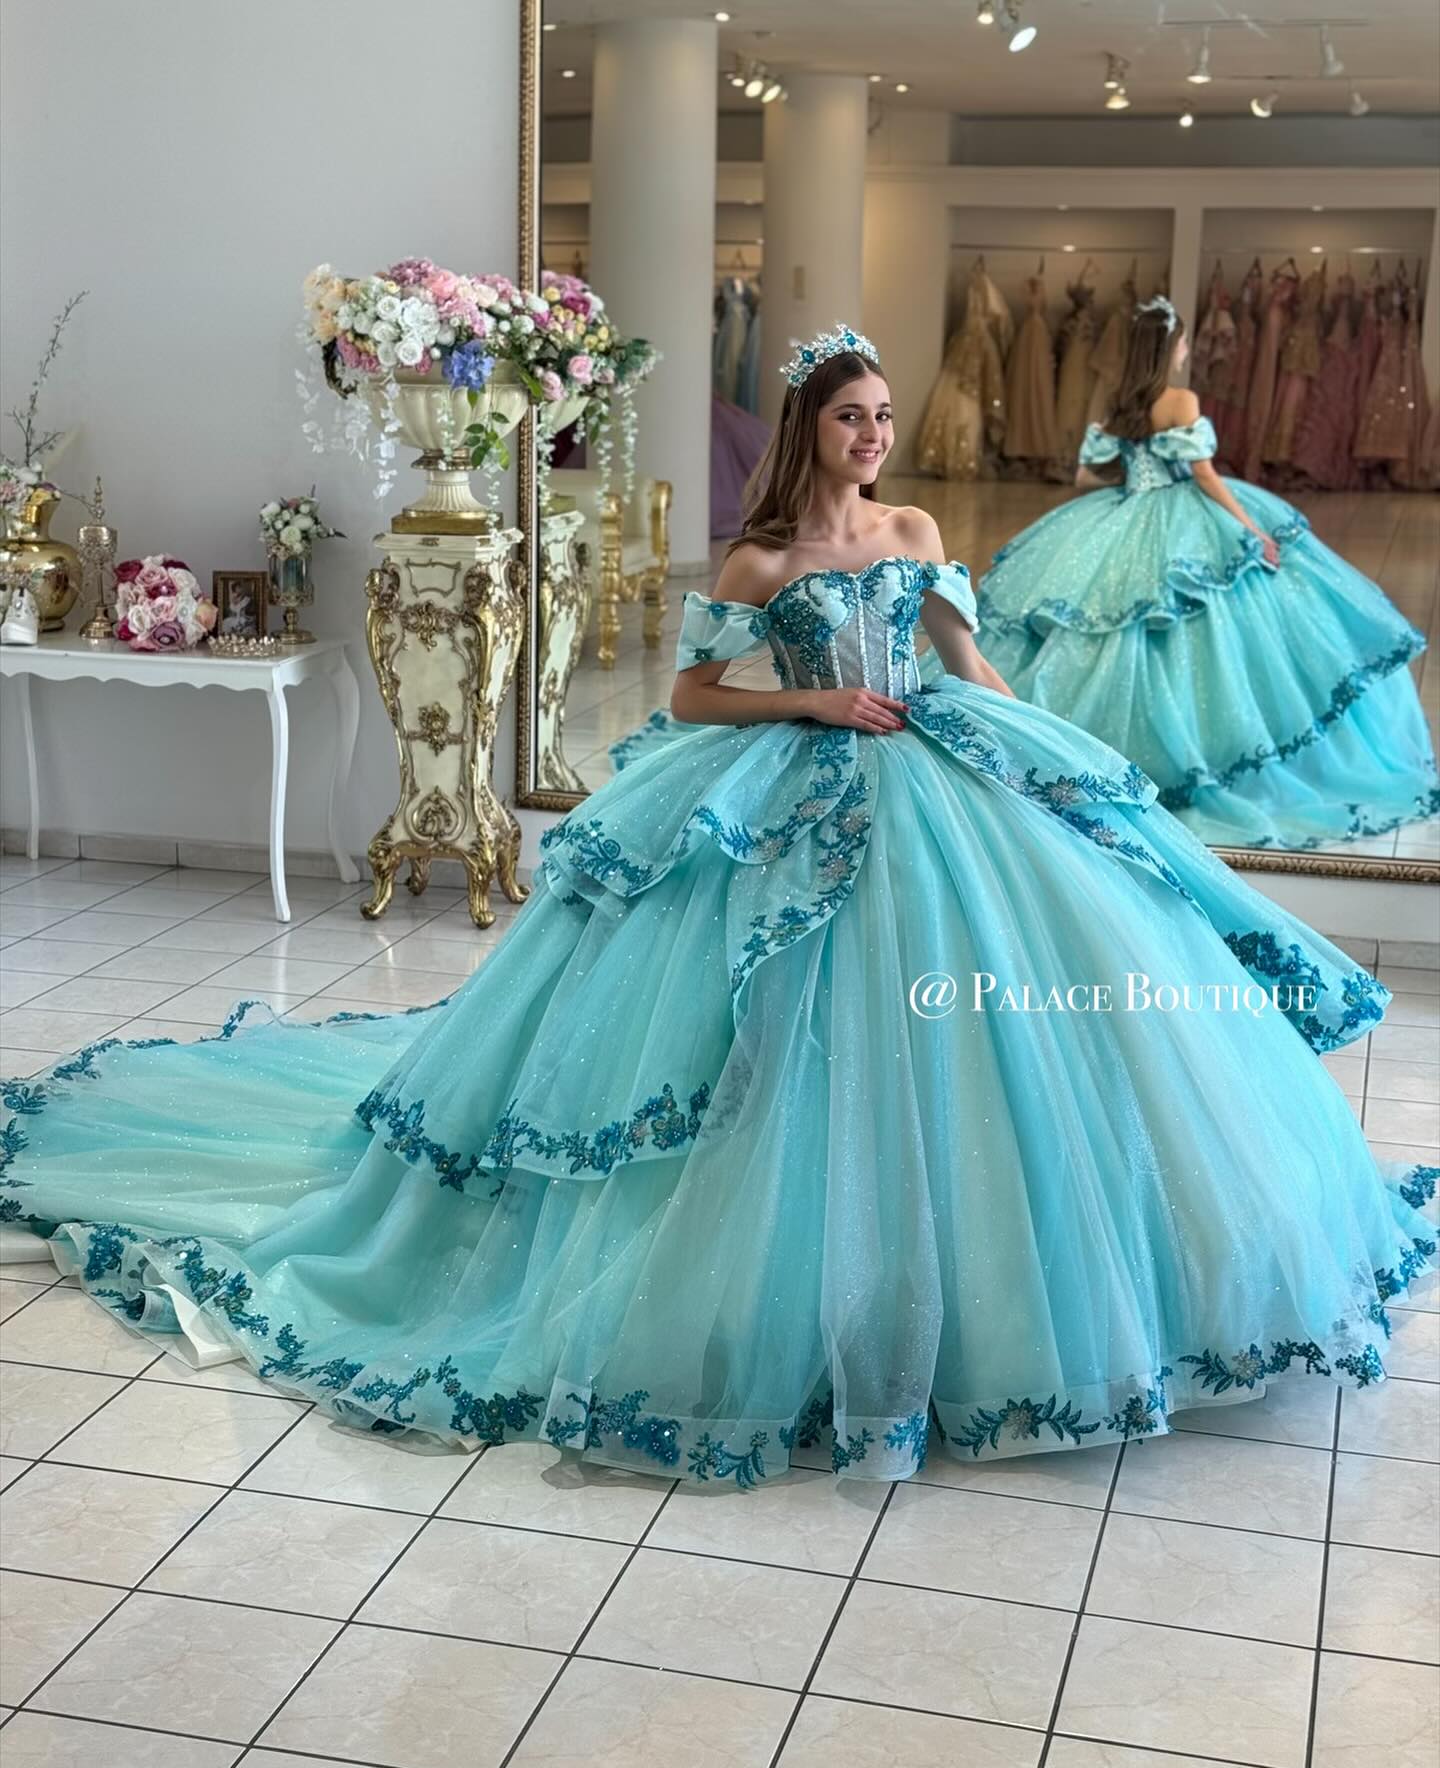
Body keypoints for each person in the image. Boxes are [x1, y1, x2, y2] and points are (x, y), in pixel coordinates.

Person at [2, 324, 1434, 1489]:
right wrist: (813, 702)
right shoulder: (761, 563)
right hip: (794, 775)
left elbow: (968, 664)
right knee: (763, 1031)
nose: (873, 436)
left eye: (883, 417)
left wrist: (1054, 762)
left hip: (940, 775)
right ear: (812, 427)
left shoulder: (917, 526)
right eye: (852, 417)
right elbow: (693, 697)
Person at [962, 296, 1439, 850]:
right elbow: (1206, 476)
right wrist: (1250, 530)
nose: (1187, 349)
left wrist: (1134, 477)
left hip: (1126, 511)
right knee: (1209, 622)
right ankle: (1211, 750)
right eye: (1184, 340)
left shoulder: (1121, 402)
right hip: (1182, 511)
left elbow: (1088, 474)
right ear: (1172, 346)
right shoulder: (1181, 399)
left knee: (1112, 621)